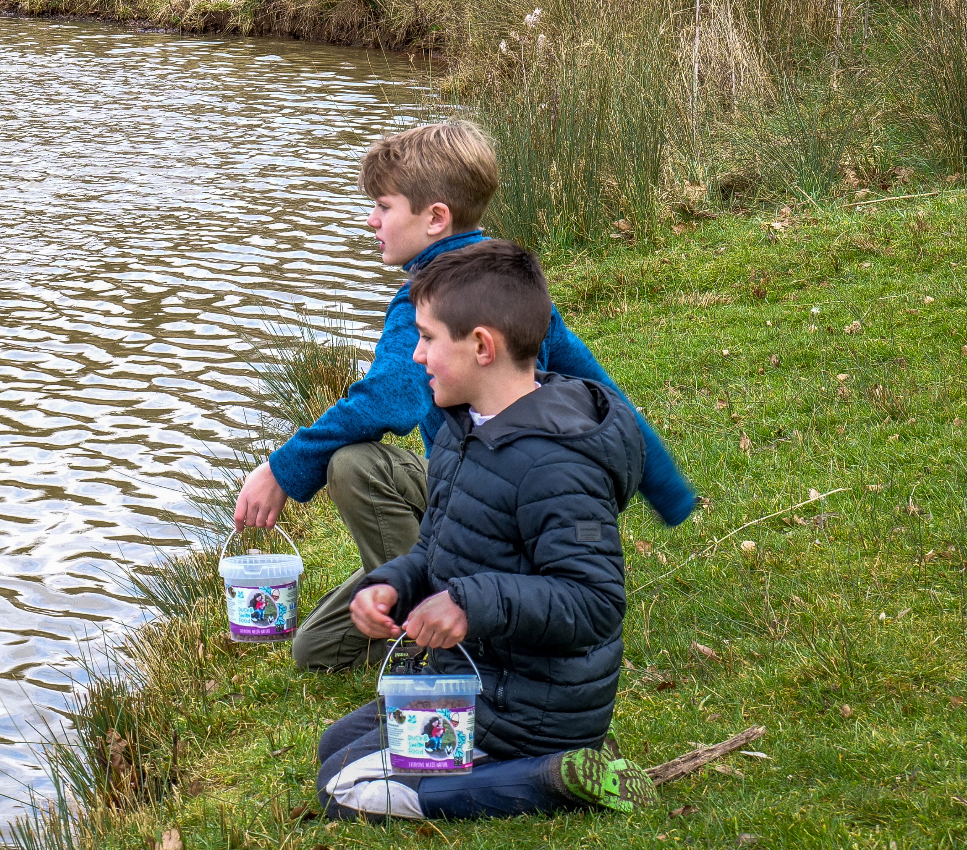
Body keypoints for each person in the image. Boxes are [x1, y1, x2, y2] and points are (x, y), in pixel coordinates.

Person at [233, 121, 696, 671]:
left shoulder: (435, 303)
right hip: (470, 491)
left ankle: (421, 641)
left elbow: (390, 398)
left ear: (435, 218)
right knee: (315, 650)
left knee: (354, 465)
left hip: (506, 503)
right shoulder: (510, 285)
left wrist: (283, 469)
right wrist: (672, 496)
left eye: (383, 206)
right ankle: (404, 597)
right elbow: (604, 391)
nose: (371, 220)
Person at [316, 240, 659, 820]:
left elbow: (596, 602)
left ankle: (549, 778)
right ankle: (538, 768)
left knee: (342, 790)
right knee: (333, 749)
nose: (417, 356)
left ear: (481, 346)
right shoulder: (460, 427)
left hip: (532, 711)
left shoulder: (556, 465)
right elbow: (437, 549)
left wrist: (471, 604)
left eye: (426, 339)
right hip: (477, 685)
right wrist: (394, 584)